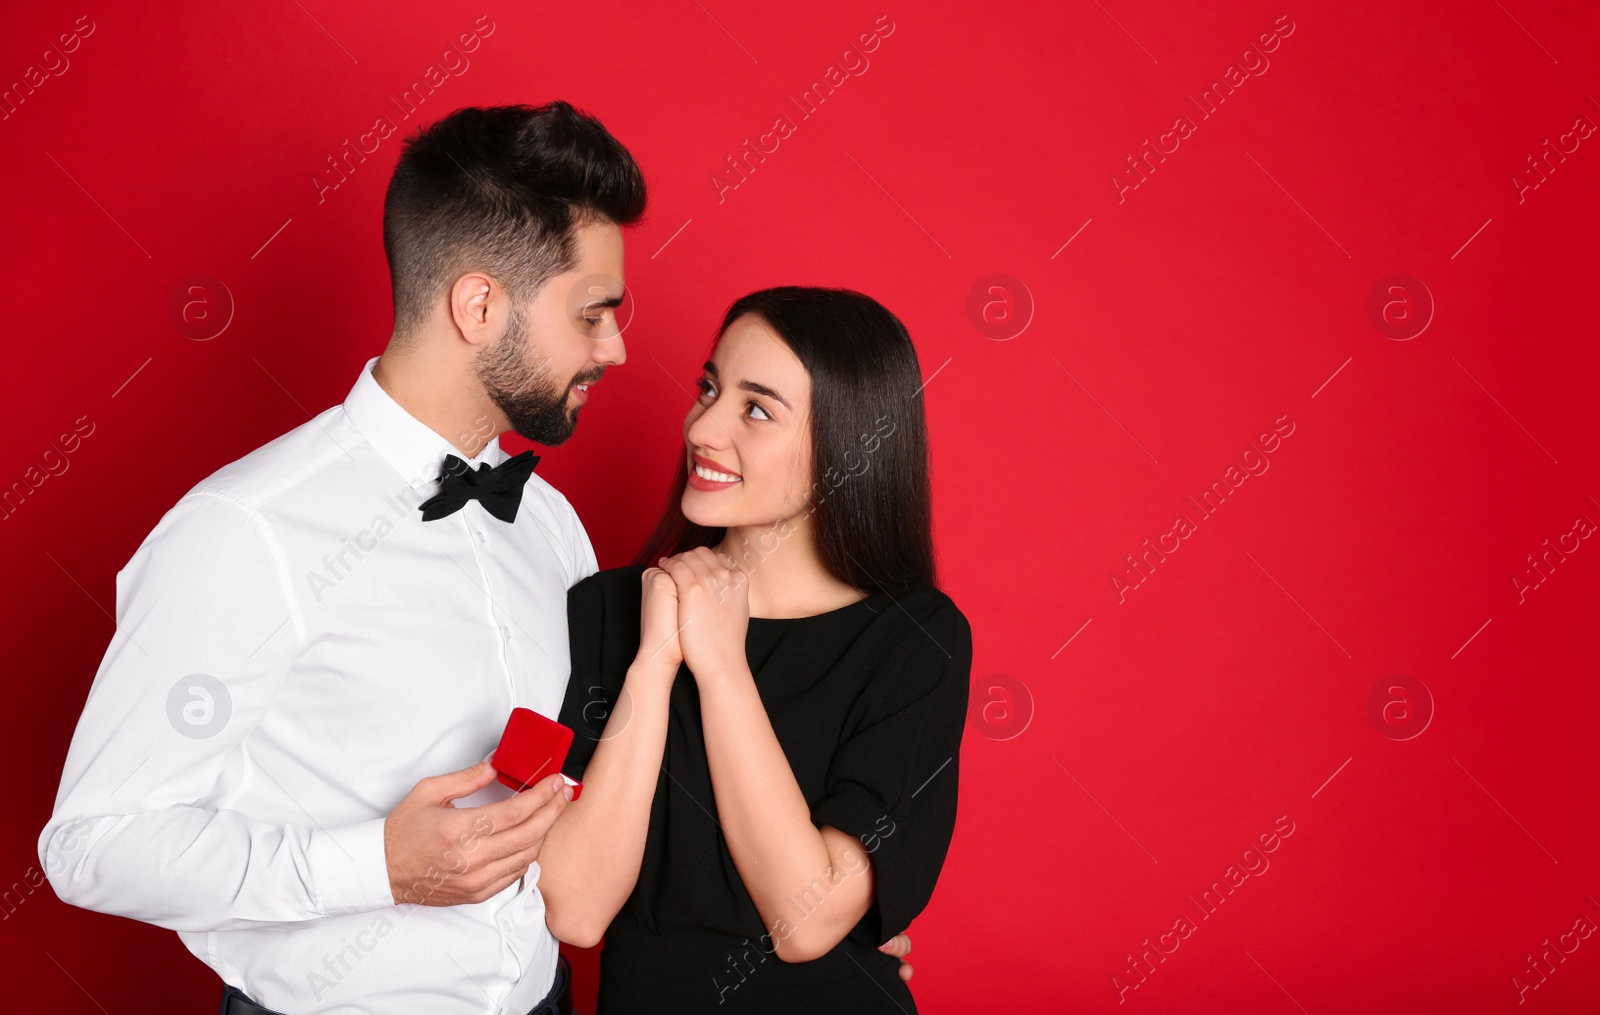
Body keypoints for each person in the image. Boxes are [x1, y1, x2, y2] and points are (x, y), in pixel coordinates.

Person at [35, 101, 642, 1015]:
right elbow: (90, 843)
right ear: (479, 305)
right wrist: (376, 868)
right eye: (594, 314)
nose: (618, 348)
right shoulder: (247, 530)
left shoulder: (551, 526)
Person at [536, 287, 972, 1013]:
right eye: (710, 388)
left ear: (848, 442)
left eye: (757, 408)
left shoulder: (914, 639)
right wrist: (656, 655)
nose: (703, 426)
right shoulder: (608, 609)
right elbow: (576, 911)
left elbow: (805, 921)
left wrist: (721, 665)